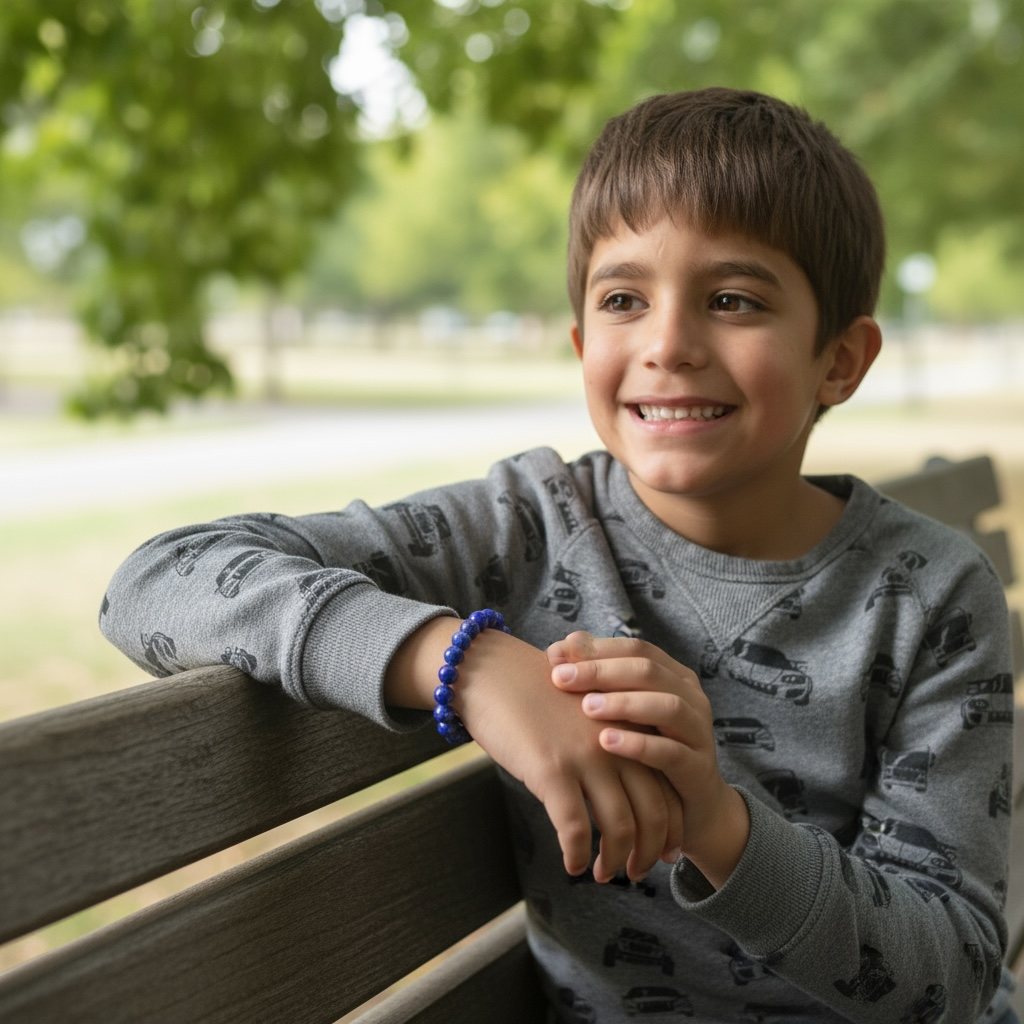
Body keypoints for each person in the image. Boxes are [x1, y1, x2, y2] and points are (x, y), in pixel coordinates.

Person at [100, 88, 1016, 1022]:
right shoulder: (526, 530)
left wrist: (715, 822)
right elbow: (154, 582)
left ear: (840, 361)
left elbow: (952, 975)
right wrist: (467, 664)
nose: (667, 345)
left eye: (732, 300)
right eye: (625, 299)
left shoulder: (931, 594)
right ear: (584, 345)